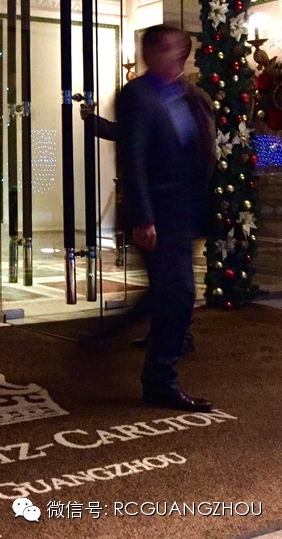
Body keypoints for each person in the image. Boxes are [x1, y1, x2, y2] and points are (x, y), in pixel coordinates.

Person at [116, 24, 215, 413]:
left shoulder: (188, 94)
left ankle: (110, 339)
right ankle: (160, 380)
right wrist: (142, 217)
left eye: (179, 48)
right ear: (150, 54)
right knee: (178, 294)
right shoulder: (138, 94)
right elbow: (134, 157)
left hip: (186, 209)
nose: (177, 55)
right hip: (159, 213)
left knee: (169, 293)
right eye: (168, 48)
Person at [79, 101, 195, 356]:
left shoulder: (183, 102)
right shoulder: (158, 103)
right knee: (165, 285)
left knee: (168, 287)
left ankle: (117, 332)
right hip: (158, 212)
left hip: (170, 213)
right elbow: (126, 133)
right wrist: (92, 121)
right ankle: (165, 336)